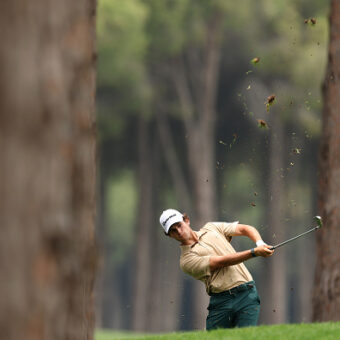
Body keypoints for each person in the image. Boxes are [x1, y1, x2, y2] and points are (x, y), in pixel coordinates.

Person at [159, 208, 274, 330]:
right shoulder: (186, 260)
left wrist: (259, 243)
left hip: (247, 294)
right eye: (173, 230)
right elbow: (222, 262)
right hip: (221, 302)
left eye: (179, 225)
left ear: (186, 220)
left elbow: (244, 229)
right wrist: (254, 252)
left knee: (247, 336)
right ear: (169, 235)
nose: (179, 231)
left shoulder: (211, 228)